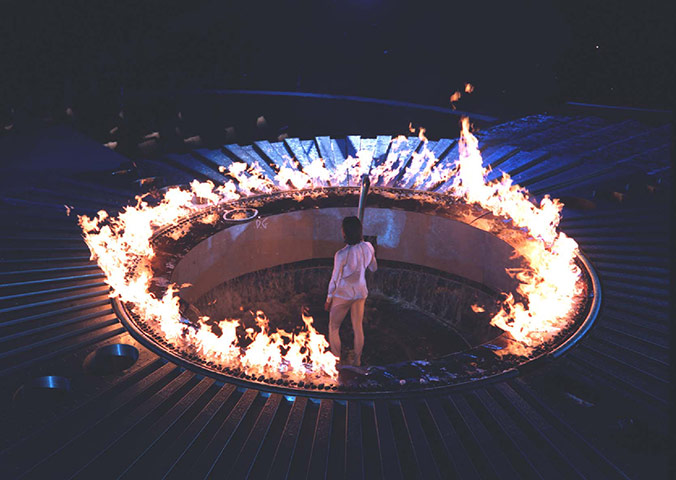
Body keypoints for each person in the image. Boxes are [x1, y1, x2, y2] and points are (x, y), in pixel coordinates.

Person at [324, 216, 377, 366]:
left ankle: (336, 362)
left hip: (343, 294)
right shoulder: (368, 247)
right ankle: (357, 361)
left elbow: (334, 279)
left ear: (345, 232)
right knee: (358, 327)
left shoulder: (341, 254)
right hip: (361, 292)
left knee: (334, 327)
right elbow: (374, 268)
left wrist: (328, 299)